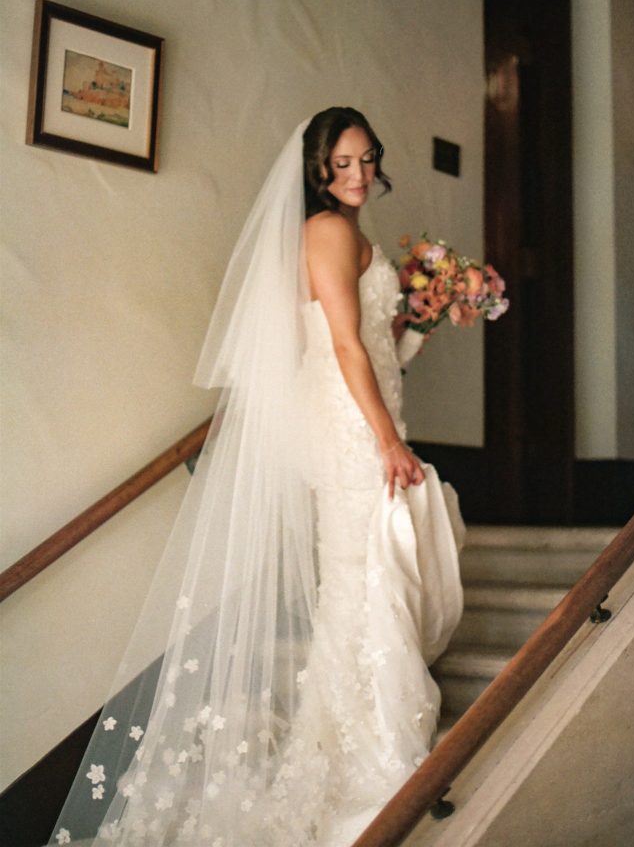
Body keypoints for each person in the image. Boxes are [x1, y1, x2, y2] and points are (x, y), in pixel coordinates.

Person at [49, 108, 464, 847]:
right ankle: (368, 751)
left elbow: (382, 350)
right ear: (315, 168)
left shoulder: (354, 234)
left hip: (367, 414)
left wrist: (424, 319)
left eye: (367, 159)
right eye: (341, 163)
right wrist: (384, 441)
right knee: (362, 573)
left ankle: (358, 735)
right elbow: (342, 346)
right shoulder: (326, 233)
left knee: (371, 574)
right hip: (348, 427)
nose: (358, 175)